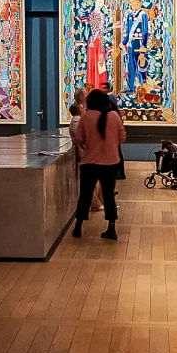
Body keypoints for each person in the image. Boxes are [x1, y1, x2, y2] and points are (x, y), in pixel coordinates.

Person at [75, 89, 125, 240]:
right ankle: (111, 228)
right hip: (110, 163)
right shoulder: (114, 116)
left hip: (89, 162)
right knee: (109, 196)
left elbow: (78, 138)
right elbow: (122, 137)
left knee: (85, 194)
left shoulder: (86, 117)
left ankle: (78, 226)